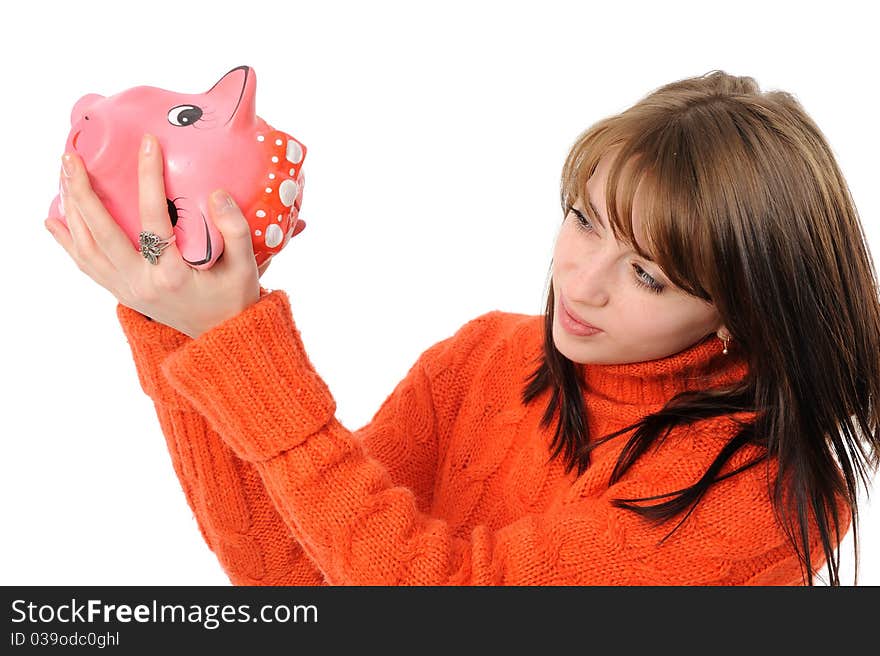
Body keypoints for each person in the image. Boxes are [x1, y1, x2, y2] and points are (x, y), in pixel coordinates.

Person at [45, 70, 880, 586]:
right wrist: (175, 322)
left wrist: (243, 342)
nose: (578, 282)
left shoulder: (762, 499)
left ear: (739, 311)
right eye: (585, 221)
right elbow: (286, 572)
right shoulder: (490, 357)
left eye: (647, 274)